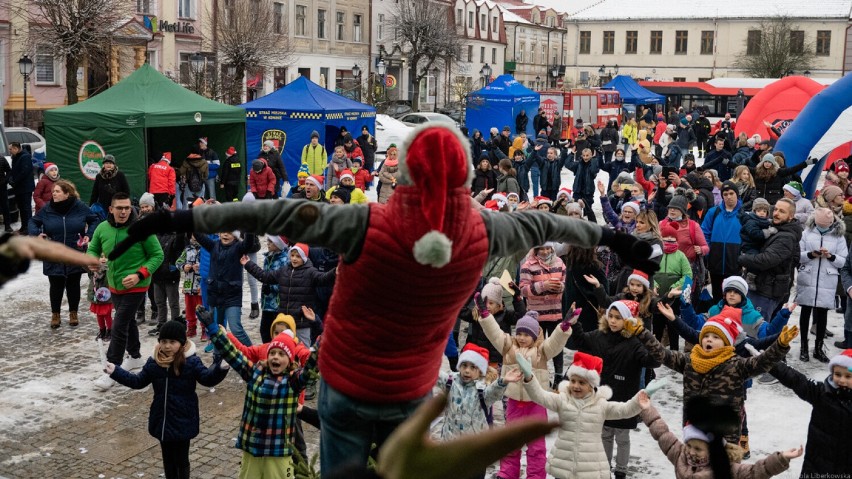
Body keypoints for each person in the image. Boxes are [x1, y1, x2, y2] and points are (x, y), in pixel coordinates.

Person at [108, 124, 657, 472]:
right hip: (411, 391)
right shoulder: (489, 230)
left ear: (406, 170)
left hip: (347, 386)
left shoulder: (361, 223)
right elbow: (559, 223)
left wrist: (173, 215)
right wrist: (623, 240)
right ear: (466, 175)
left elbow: (263, 212)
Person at [630, 305, 797, 443]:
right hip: (694, 430)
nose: (708, 339)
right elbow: (662, 354)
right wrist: (641, 333)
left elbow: (762, 362)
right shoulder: (690, 361)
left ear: (726, 343)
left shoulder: (736, 364)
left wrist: (780, 345)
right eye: (706, 336)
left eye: (715, 337)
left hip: (725, 436)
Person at [198, 306, 317, 478]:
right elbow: (233, 355)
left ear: (290, 360)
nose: (276, 357)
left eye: (281, 354)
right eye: (273, 353)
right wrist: (214, 330)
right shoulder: (255, 373)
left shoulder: (293, 381)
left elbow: (312, 365)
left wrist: (325, 335)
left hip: (278, 452)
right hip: (252, 448)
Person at [104, 320, 228, 479]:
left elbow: (207, 378)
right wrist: (116, 371)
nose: (167, 346)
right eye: (163, 341)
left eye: (172, 342)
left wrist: (220, 368)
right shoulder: (154, 363)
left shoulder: (191, 363)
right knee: (168, 460)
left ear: (182, 344)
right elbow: (138, 381)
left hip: (183, 419)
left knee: (181, 459)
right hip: (162, 420)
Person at [565, 301, 661, 479]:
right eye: (610, 316)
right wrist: (574, 323)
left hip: (625, 398)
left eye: (618, 318)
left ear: (627, 320)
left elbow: (653, 361)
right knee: (606, 433)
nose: (613, 321)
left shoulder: (634, 343)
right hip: (603, 395)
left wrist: (651, 343)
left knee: (622, 437)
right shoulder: (599, 335)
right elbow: (580, 340)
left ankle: (621, 471)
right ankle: (605, 467)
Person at [516, 351, 647, 479]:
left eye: (581, 382)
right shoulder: (563, 400)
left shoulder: (600, 405)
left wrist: (638, 401)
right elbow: (540, 396)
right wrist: (529, 377)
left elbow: (624, 410)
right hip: (564, 464)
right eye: (573, 381)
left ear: (591, 385)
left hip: (590, 468)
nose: (575, 386)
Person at [476, 309, 573, 479]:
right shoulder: (508, 347)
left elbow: (555, 343)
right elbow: (494, 332)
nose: (521, 337)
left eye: (526, 334)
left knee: (536, 446)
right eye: (519, 333)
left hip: (536, 403)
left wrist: (563, 328)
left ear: (535, 336)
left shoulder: (542, 351)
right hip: (514, 403)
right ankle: (507, 473)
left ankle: (535, 476)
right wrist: (485, 315)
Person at [88, 192, 164, 390]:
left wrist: (140, 274)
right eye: (119, 208)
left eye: (127, 208)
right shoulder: (102, 228)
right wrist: (95, 261)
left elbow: (157, 255)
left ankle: (112, 369)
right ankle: (136, 356)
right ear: (111, 209)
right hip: (114, 285)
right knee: (128, 321)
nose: (123, 212)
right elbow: (92, 249)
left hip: (137, 285)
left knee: (119, 324)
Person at [640, 397, 802, 478]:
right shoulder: (680, 455)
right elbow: (662, 434)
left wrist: (781, 458)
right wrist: (648, 409)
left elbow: (756, 472)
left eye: (698, 448)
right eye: (689, 445)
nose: (691, 451)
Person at [435, 344, 520, 479]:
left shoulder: (481, 389)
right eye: (464, 366)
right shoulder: (451, 382)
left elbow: (493, 393)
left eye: (473, 367)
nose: (467, 371)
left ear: (480, 371)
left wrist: (503, 381)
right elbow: (435, 374)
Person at [767, 350, 852, 476]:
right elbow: (797, 380)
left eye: (848, 376)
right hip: (816, 466)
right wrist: (768, 361)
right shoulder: (822, 393)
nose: (842, 380)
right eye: (837, 374)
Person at [28, 179, 99, 329]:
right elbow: (33, 222)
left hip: (75, 250)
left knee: (73, 283)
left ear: (67, 194)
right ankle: (56, 314)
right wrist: (37, 234)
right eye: (53, 191)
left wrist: (89, 234)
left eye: (57, 191)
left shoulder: (79, 207)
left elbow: (94, 220)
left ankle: (74, 313)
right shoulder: (47, 209)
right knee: (56, 284)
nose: (54, 194)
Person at [242, 243, 336, 346]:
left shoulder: (311, 272)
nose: (294, 259)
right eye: (292, 255)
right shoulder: (283, 271)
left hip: (301, 323)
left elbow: (324, 278)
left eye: (298, 256)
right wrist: (248, 264)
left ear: (304, 257)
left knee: (302, 352)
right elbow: (265, 276)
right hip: (285, 322)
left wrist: (335, 272)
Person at [796, 207, 847, 363]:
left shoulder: (838, 237)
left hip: (827, 279)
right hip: (808, 277)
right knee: (805, 312)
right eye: (821, 224)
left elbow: (843, 260)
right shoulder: (806, 233)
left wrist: (830, 256)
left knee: (822, 313)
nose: (824, 226)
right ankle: (804, 347)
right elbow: (798, 255)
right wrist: (812, 254)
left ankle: (819, 348)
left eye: (827, 224)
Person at [739, 198, 803, 321]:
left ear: (790, 216)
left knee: (755, 329)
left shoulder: (786, 237)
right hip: (763, 286)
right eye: (776, 209)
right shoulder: (776, 229)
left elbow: (765, 260)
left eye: (782, 211)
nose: (776, 213)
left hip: (766, 290)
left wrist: (743, 258)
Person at [194, 228, 257, 349]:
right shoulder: (213, 245)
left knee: (236, 328)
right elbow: (199, 236)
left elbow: (249, 242)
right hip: (215, 294)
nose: (225, 234)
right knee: (217, 330)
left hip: (232, 295)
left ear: (235, 236)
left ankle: (253, 353)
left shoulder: (239, 247)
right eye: (223, 232)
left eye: (229, 232)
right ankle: (217, 358)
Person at [701, 181, 742, 302]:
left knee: (733, 298)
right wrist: (709, 252)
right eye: (725, 194)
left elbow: (748, 238)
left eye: (731, 193)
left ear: (737, 194)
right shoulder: (713, 212)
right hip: (715, 263)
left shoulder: (743, 214)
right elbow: (704, 233)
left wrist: (742, 256)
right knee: (717, 296)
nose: (728, 197)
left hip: (735, 263)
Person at [176, 235, 203, 338]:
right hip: (188, 282)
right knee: (189, 307)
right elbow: (178, 262)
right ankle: (191, 327)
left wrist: (199, 266)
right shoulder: (187, 249)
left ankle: (204, 329)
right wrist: (183, 266)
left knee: (201, 307)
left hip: (200, 282)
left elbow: (210, 264)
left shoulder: (205, 248)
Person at [9, 142, 35, 229]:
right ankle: (24, 226)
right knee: (21, 208)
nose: (10, 151)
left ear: (16, 148)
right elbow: (14, 171)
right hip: (19, 188)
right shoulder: (16, 157)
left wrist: (14, 181)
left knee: (26, 209)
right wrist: (11, 179)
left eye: (10, 149)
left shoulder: (25, 156)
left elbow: (24, 172)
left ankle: (29, 227)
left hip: (25, 188)